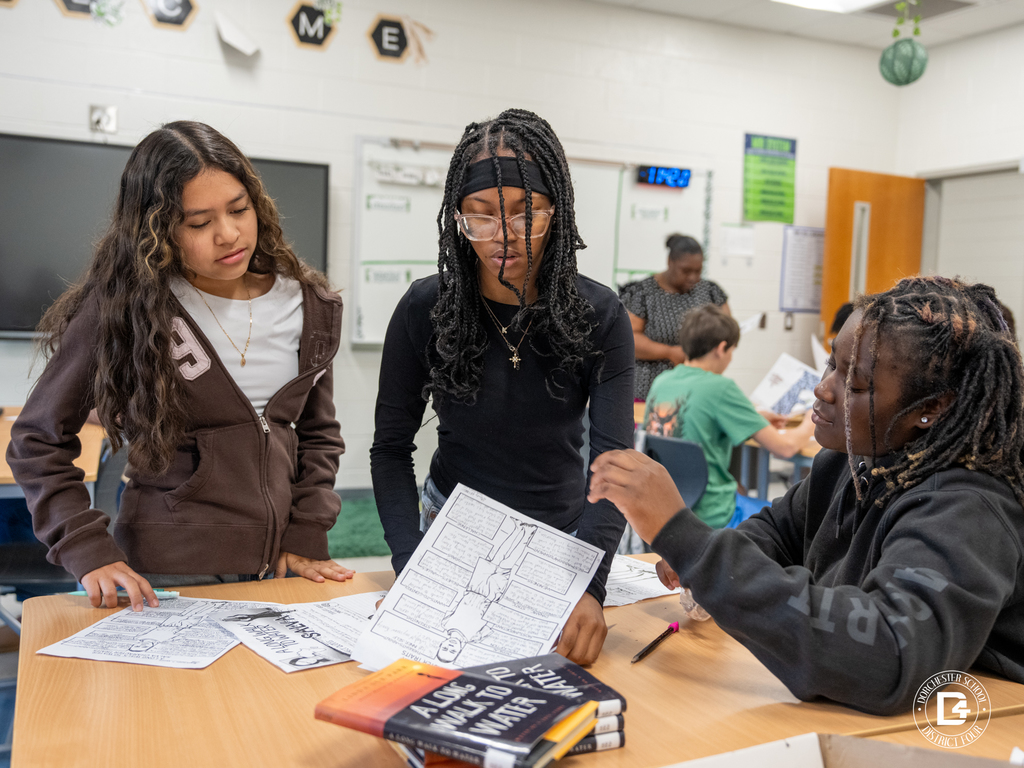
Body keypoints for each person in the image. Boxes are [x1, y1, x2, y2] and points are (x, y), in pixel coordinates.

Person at [589, 276, 1024, 715]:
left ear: (932, 408)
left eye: (854, 385)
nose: (823, 388)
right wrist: (714, 569)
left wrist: (690, 543)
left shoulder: (969, 507)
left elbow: (890, 654)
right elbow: (776, 532)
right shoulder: (850, 460)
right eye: (832, 363)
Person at [7, 121, 353, 612]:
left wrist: (308, 529)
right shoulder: (126, 307)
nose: (229, 234)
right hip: (169, 566)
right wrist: (85, 549)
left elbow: (319, 434)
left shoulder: (310, 305)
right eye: (198, 223)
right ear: (157, 228)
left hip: (282, 563)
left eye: (239, 209)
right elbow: (36, 440)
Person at [370, 109, 635, 666]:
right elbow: (391, 449)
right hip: (450, 527)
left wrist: (590, 582)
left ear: (555, 211)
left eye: (525, 212)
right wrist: (408, 560)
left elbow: (613, 461)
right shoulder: (426, 308)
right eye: (482, 216)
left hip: (563, 538)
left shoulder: (600, 315)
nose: (505, 236)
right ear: (458, 217)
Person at [642, 305, 815, 529]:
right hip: (712, 514)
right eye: (732, 351)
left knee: (741, 489)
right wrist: (811, 419)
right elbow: (785, 448)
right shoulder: (720, 387)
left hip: (665, 509)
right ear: (721, 348)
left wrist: (753, 418)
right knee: (789, 523)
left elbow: (699, 416)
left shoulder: (662, 382)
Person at [619, 234, 729, 400]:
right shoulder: (643, 293)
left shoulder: (710, 292)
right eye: (686, 271)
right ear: (670, 261)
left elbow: (727, 329)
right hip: (649, 390)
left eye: (698, 271)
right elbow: (629, 338)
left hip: (697, 389)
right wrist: (670, 352)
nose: (693, 277)